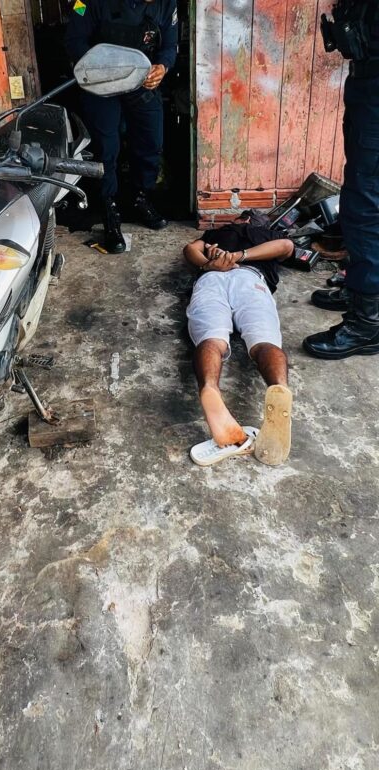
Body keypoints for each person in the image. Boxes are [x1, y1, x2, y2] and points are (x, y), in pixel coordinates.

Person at [182, 212, 295, 467]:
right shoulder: (263, 235)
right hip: (249, 279)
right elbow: (286, 247)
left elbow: (191, 249)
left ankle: (210, 387)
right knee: (264, 342)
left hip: (213, 280)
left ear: (245, 221)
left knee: (211, 340)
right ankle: (279, 389)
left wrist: (219, 261)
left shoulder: (218, 236)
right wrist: (220, 261)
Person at [65, 0, 178, 253]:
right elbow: (74, 41)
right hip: (100, 85)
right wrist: (97, 70)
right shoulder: (87, 3)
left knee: (151, 143)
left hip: (143, 84)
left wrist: (163, 66)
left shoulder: (167, 4)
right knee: (107, 148)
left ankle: (140, 197)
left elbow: (170, 45)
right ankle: (109, 209)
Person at [304, 1, 379, 358]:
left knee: (367, 204)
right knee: (357, 195)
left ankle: (368, 324)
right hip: (366, 76)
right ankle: (359, 290)